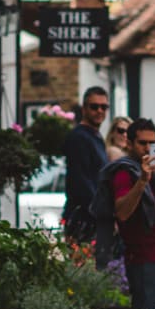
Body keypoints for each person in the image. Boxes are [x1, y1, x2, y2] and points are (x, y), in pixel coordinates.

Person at [105, 117, 155, 309]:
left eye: (152, 143)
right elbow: (122, 213)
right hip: (144, 258)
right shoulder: (125, 171)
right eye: (142, 143)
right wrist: (142, 180)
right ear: (130, 143)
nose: (148, 148)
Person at [62, 86, 111, 249]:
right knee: (83, 270)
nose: (99, 111)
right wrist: (102, 214)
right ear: (84, 109)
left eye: (104, 107)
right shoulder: (79, 137)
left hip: (94, 219)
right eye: (94, 106)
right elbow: (80, 181)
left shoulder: (96, 136)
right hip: (83, 220)